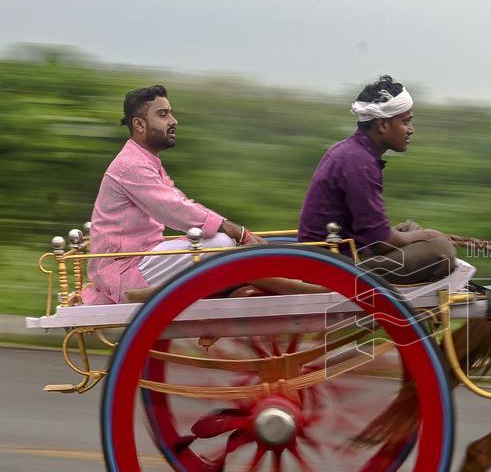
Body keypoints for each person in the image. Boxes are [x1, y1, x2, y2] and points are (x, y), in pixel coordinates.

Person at [82, 85, 264, 304]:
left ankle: (222, 298)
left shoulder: (146, 161)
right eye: (163, 114)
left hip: (140, 260)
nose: (173, 121)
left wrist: (234, 231)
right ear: (139, 124)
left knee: (221, 243)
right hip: (125, 271)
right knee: (223, 244)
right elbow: (175, 210)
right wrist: (237, 231)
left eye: (171, 113)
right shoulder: (130, 165)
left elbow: (181, 203)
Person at [298, 75, 455, 284]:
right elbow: (381, 243)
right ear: (382, 125)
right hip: (334, 266)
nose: (411, 130)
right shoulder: (359, 162)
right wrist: (426, 235)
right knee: (441, 251)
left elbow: (376, 234)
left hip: (342, 253)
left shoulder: (351, 151)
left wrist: (420, 235)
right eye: (406, 121)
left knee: (411, 228)